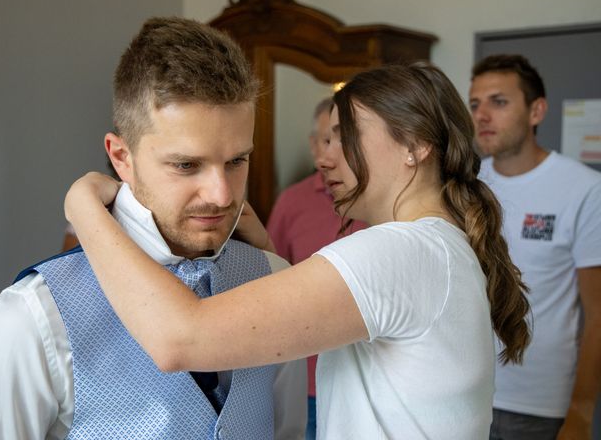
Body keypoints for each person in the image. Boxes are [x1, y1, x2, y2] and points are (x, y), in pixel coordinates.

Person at [64, 62, 532, 439]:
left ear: (415, 146)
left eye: (344, 137)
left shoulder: (398, 254)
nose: (325, 156)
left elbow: (179, 340)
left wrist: (84, 207)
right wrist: (265, 249)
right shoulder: (439, 247)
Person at [0, 17, 307, 439]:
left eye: (237, 161)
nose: (221, 194)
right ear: (121, 157)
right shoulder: (32, 318)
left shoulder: (276, 281)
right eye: (186, 165)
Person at [469, 54, 601, 440]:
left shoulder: (583, 189)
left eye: (499, 101)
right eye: (475, 104)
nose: (482, 115)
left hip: (539, 404)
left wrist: (580, 413)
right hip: (466, 389)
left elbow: (597, 314)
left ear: (536, 110)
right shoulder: (470, 185)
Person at [266, 97, 366, 439]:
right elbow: (271, 279)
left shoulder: (377, 206)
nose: (329, 156)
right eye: (325, 141)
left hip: (365, 379)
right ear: (312, 145)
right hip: (306, 380)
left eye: (342, 142)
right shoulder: (292, 202)